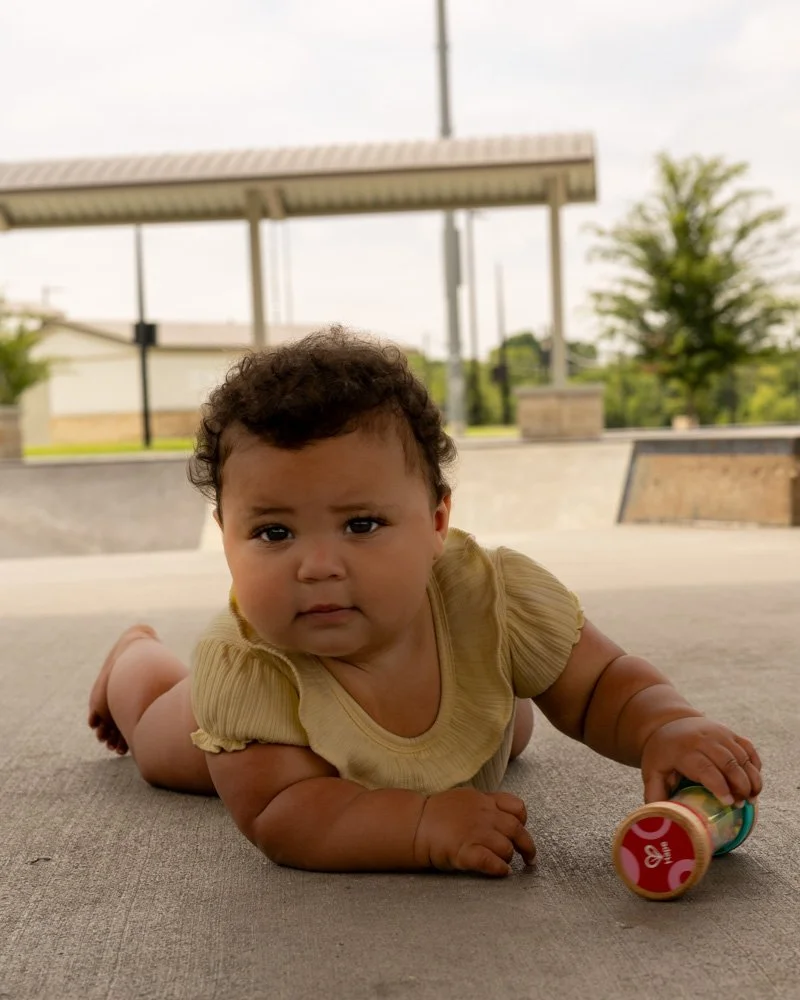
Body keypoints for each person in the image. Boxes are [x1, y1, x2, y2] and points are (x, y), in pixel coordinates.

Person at [88, 327, 763, 878]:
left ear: (437, 524)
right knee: (156, 737)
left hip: (448, 672)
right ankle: (133, 657)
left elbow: (600, 687)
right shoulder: (246, 669)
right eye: (273, 533)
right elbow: (286, 815)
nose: (318, 567)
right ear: (227, 541)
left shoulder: (492, 596)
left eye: (361, 525)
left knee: (515, 721)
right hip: (288, 747)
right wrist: (421, 825)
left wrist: (662, 725)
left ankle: (476, 711)